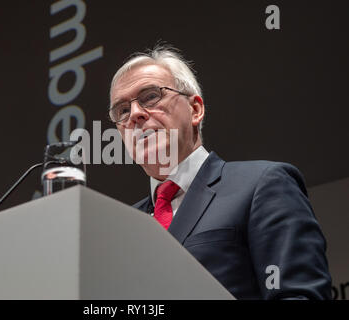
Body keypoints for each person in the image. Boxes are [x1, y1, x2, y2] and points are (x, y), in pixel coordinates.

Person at [108, 45, 332, 299]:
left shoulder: (264, 184)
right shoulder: (121, 227)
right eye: (122, 111)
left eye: (150, 97)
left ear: (195, 110)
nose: (135, 114)